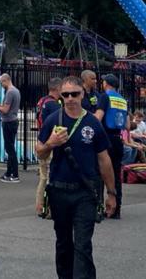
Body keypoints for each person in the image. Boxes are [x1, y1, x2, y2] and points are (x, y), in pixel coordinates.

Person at [36, 76, 117, 278]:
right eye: (66, 94)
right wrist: (51, 143)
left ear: (82, 94)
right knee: (63, 243)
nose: (70, 98)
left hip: (85, 191)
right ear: (61, 96)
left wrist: (112, 193)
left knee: (82, 244)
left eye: (75, 94)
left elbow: (104, 160)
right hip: (59, 190)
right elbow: (40, 152)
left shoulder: (92, 123)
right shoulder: (53, 119)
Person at [99, 74, 128, 219]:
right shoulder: (122, 100)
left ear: (105, 83)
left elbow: (98, 117)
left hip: (105, 138)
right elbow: (127, 125)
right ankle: (117, 209)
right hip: (118, 139)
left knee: (100, 172)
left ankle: (98, 207)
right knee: (116, 174)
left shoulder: (105, 97)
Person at [35, 78, 63, 217]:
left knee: (43, 177)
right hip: (50, 143)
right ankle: (50, 208)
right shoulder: (55, 105)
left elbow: (37, 119)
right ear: (58, 88)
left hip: (41, 140)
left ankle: (40, 206)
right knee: (52, 177)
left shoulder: (42, 101)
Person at [0, 73, 21, 182]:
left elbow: (5, 110)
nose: (1, 85)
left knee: (10, 149)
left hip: (9, 121)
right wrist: (0, 105)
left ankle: (14, 174)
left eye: (1, 82)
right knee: (10, 147)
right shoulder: (16, 91)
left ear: (6, 80)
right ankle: (9, 173)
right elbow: (7, 108)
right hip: (12, 120)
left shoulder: (10, 92)